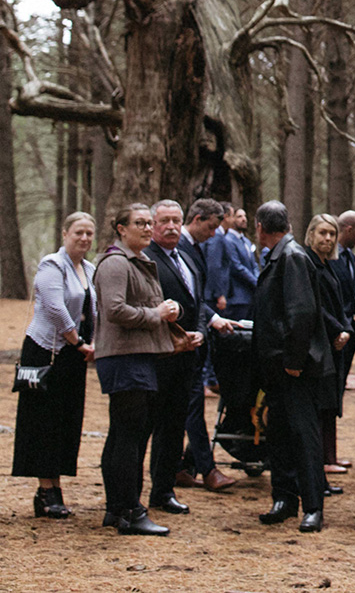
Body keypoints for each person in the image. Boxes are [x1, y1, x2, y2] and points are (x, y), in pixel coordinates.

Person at [93, 202, 182, 536]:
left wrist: (171, 310)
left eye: (149, 223)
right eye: (140, 223)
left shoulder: (140, 261)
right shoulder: (116, 263)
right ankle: (130, 510)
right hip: (124, 357)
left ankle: (117, 509)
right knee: (129, 437)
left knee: (123, 434)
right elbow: (114, 310)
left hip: (140, 355)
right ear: (121, 229)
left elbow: (145, 304)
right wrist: (155, 315)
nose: (147, 229)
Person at [251, 201, 332, 533]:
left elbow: (301, 314)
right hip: (276, 367)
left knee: (303, 436)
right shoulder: (278, 256)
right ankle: (284, 499)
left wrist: (295, 362)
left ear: (260, 227)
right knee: (279, 434)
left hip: (293, 368)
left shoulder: (292, 257)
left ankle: (313, 506)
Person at [13, 212, 98, 520]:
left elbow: (94, 310)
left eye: (89, 233)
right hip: (46, 351)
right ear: (65, 233)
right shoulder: (52, 264)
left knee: (66, 420)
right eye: (78, 232)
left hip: (75, 354)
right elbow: (54, 306)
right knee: (44, 421)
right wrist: (77, 340)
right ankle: (46, 490)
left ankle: (56, 486)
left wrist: (93, 343)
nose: (84, 238)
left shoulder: (89, 268)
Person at [144, 201, 209, 517]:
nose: (171, 226)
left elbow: (198, 303)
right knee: (150, 426)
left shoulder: (187, 258)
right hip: (158, 356)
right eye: (164, 221)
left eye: (176, 220)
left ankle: (163, 490)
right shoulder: (147, 260)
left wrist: (198, 332)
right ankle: (136, 492)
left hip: (187, 357)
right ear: (153, 225)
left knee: (174, 427)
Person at [169, 199, 238, 492]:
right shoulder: (179, 248)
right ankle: (207, 469)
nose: (213, 235)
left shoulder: (194, 247)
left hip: (196, 336)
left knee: (192, 404)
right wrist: (209, 319)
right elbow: (187, 296)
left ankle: (185, 467)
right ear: (196, 219)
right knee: (193, 405)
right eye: (210, 228)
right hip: (180, 340)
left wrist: (211, 320)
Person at [306, 214, 355, 475]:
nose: (327, 238)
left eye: (332, 234)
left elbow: (340, 304)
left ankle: (329, 456)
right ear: (311, 234)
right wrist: (338, 330)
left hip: (336, 341)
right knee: (320, 404)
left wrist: (346, 329)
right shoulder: (307, 264)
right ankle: (322, 461)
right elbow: (314, 306)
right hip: (318, 344)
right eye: (322, 233)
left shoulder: (330, 265)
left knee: (331, 401)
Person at [205, 204, 260, 319]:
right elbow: (221, 266)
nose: (243, 219)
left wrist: (259, 280)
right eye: (239, 216)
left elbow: (253, 263)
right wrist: (219, 294)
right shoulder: (224, 239)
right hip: (235, 295)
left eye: (245, 216)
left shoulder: (246, 241)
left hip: (249, 294)